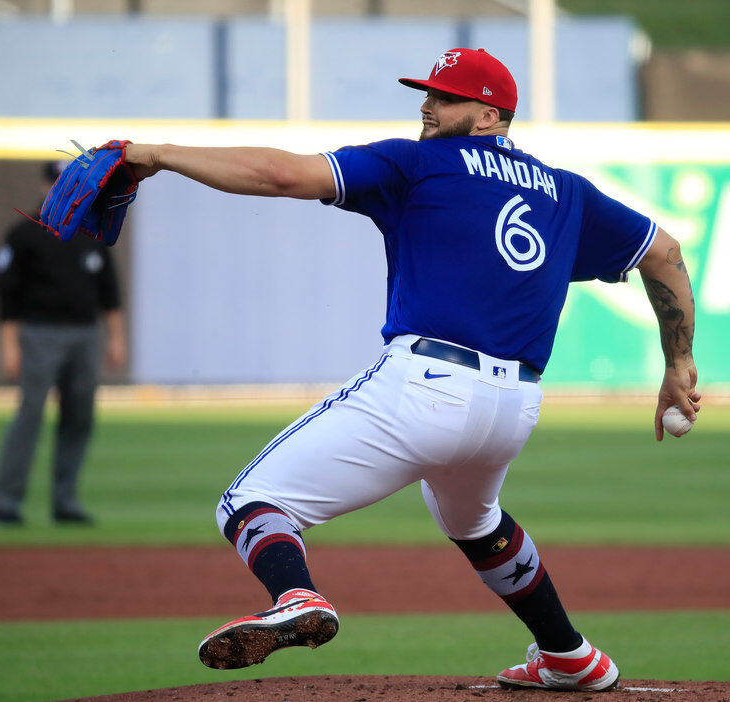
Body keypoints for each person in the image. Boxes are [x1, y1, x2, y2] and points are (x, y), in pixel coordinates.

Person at [123, 48, 699, 692]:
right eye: (426, 94)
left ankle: (297, 598)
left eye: (445, 97)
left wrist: (158, 154)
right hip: (514, 407)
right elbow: (665, 251)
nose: (427, 106)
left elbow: (280, 174)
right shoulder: (567, 192)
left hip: (427, 387)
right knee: (474, 522)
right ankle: (569, 656)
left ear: (489, 115)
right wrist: (679, 364)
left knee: (252, 502)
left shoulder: (416, 162)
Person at [0, 162, 126, 526]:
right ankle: (5, 505)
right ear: (42, 186)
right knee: (29, 416)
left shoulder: (90, 234)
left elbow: (110, 293)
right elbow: (7, 294)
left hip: (85, 334)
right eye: (54, 183)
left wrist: (115, 338)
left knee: (79, 418)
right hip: (39, 333)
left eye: (66, 185)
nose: (57, 190)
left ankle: (65, 503)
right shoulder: (23, 233)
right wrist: (9, 345)